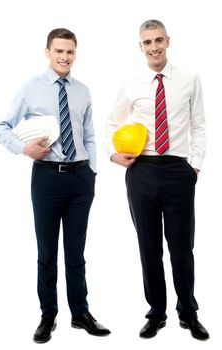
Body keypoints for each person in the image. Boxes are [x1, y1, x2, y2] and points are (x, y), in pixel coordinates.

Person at [0, 28, 110, 343]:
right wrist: (24, 149)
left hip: (81, 178)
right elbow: (0, 127)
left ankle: (81, 313)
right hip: (46, 178)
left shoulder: (83, 90)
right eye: (59, 51)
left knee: (76, 253)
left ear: (75, 53)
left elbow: (87, 135)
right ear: (47, 52)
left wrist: (93, 172)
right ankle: (48, 315)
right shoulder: (31, 88)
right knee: (47, 252)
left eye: (70, 52)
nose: (64, 57)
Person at [107, 19, 209, 340]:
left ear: (168, 41)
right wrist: (115, 154)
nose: (154, 47)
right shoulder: (131, 81)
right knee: (148, 248)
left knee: (182, 247)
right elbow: (113, 121)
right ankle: (156, 312)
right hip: (142, 172)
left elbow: (200, 125)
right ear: (141, 46)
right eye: (147, 42)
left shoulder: (189, 78)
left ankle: (188, 312)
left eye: (158, 40)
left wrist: (194, 166)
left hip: (179, 171)